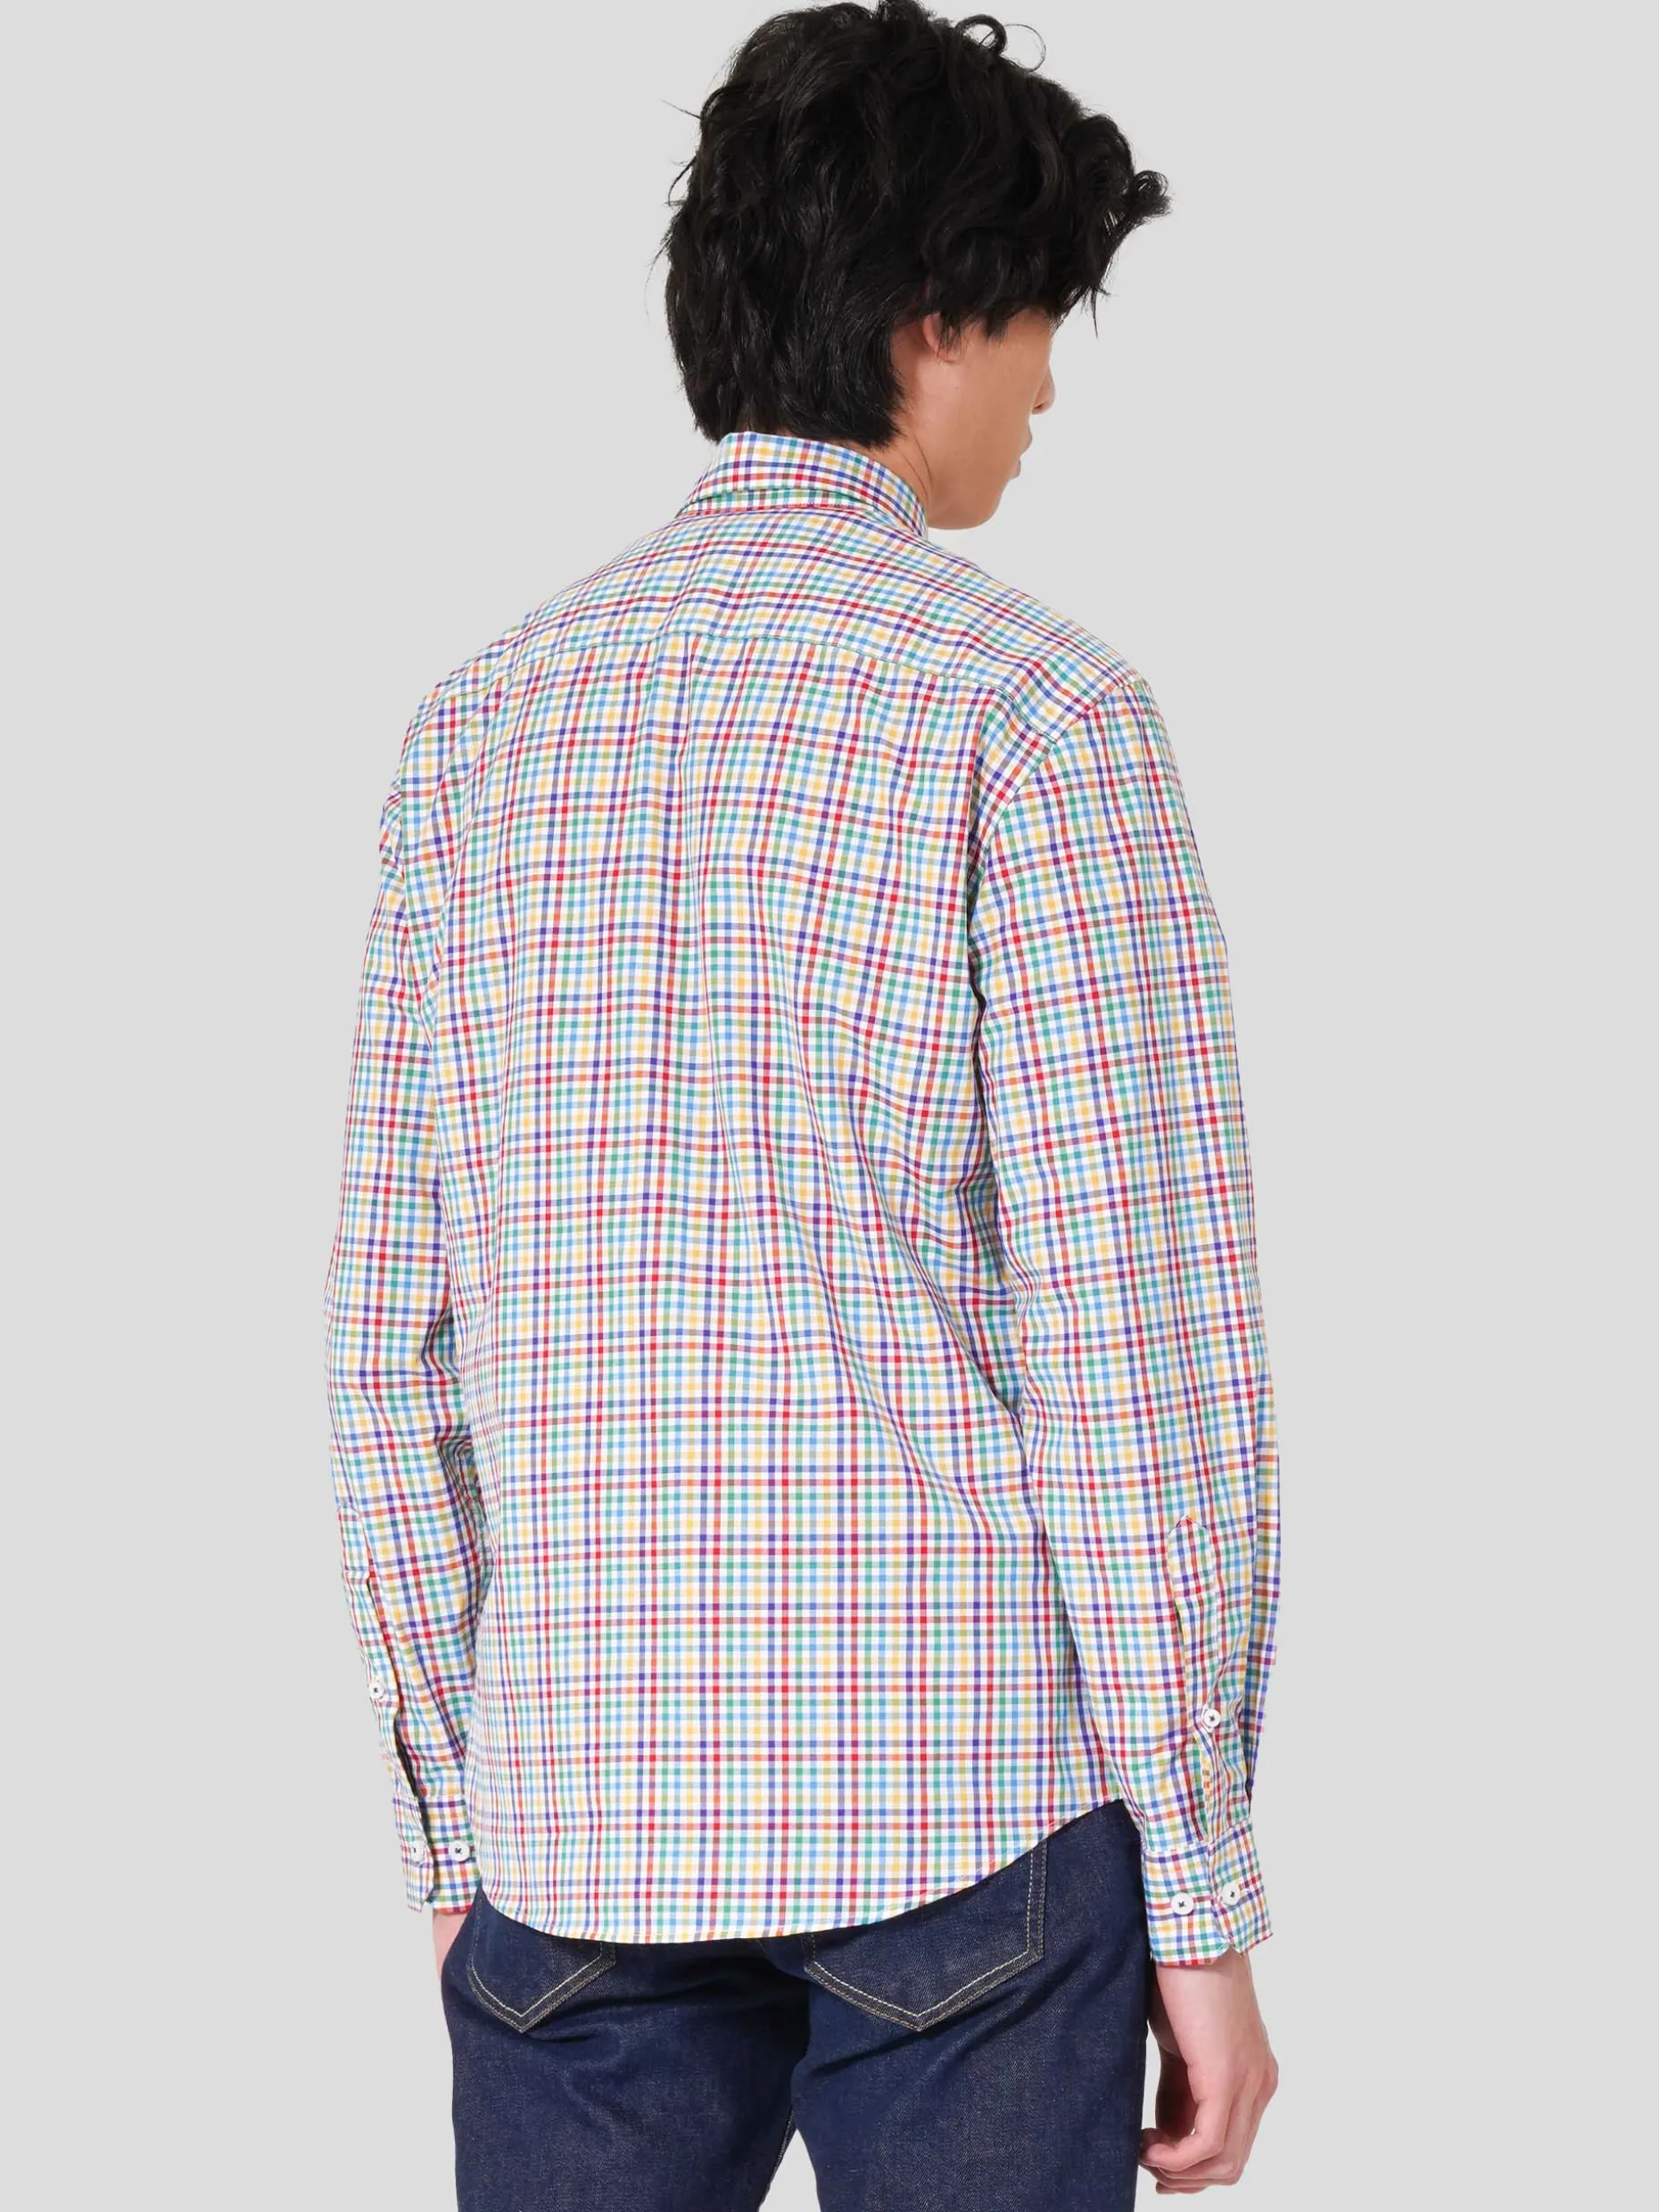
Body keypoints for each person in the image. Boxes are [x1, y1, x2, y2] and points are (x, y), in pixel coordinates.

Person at [323, 3, 1281, 2203]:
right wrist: (1207, 1893)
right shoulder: (1037, 711)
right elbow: (1137, 1355)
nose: (1047, 390)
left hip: (574, 1829)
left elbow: (392, 1341)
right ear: (934, 315)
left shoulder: (481, 726)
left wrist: (456, 1824)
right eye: (1038, 323)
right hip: (968, 1819)